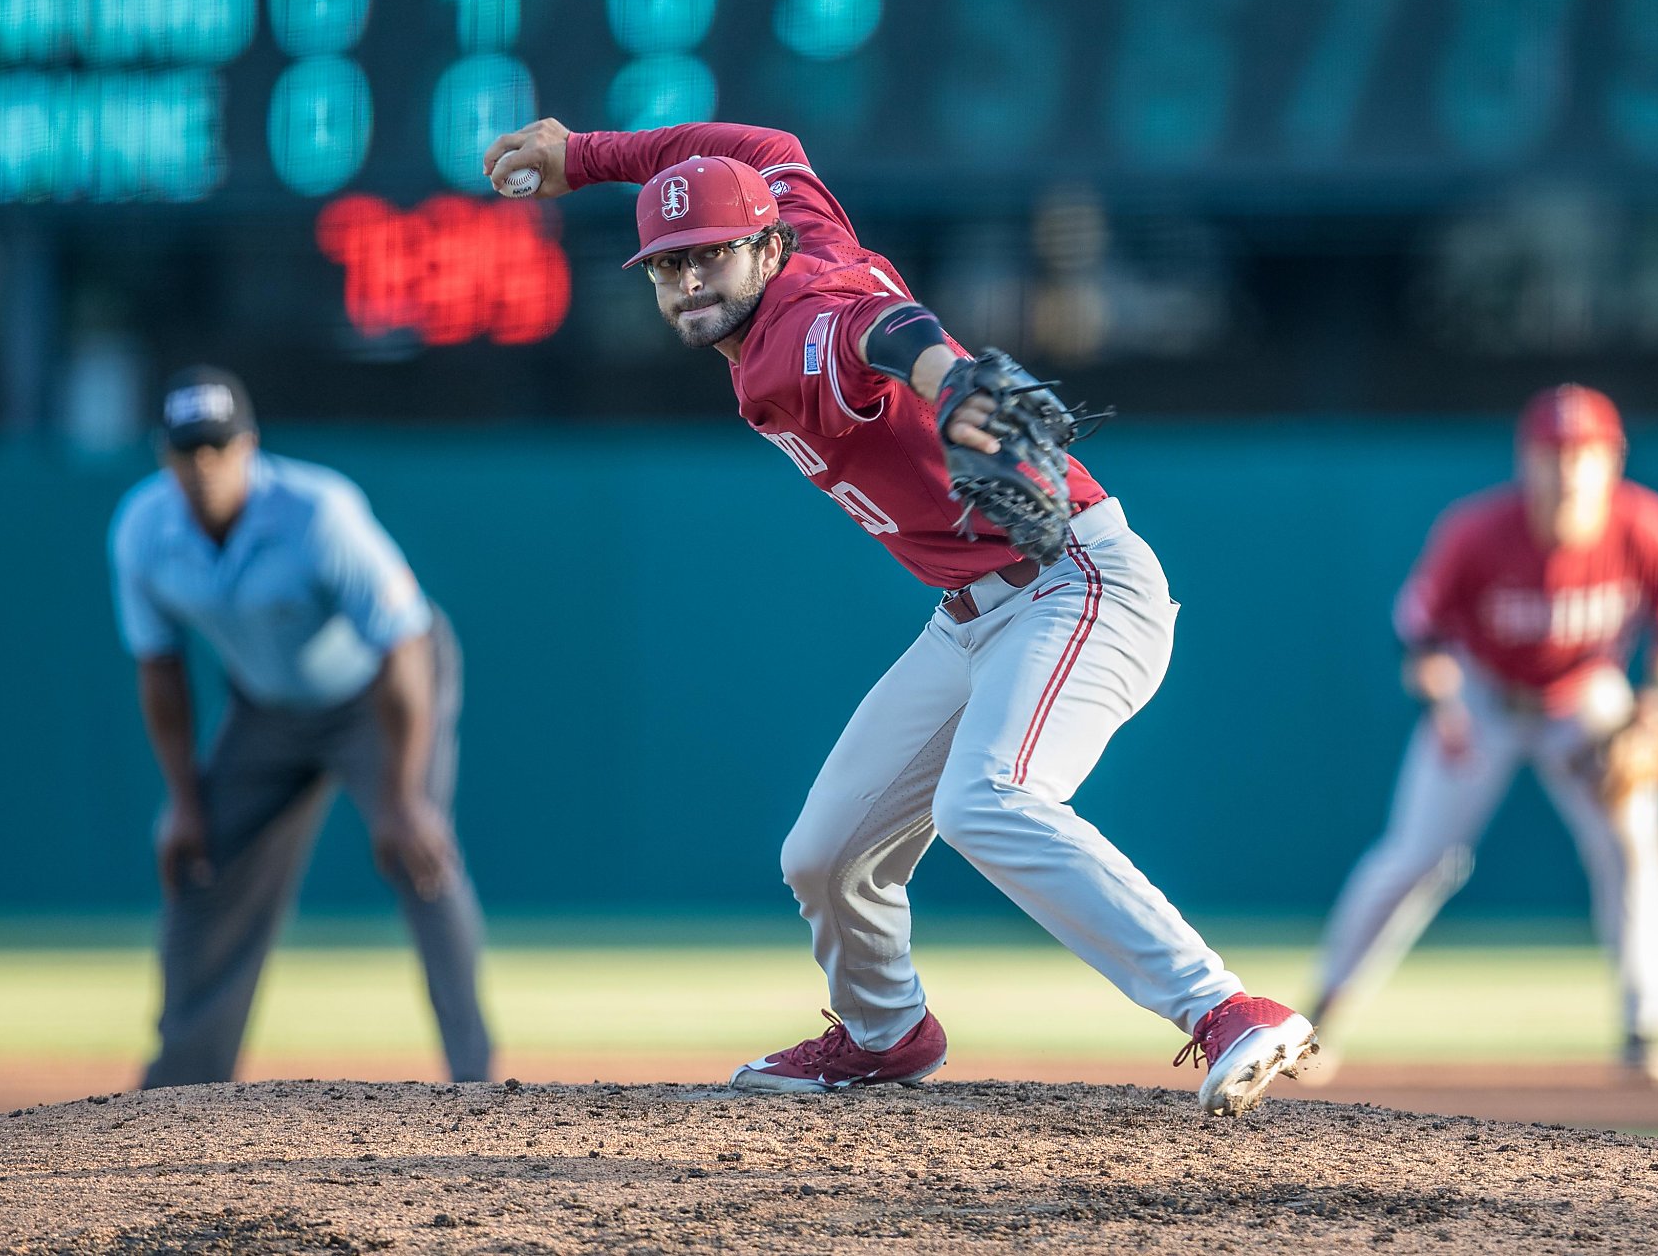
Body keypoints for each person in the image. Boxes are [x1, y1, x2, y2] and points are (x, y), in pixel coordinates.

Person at [481, 118, 1315, 1116]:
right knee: (824, 855)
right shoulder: (798, 219)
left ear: (764, 247)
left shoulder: (796, 332)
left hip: (1076, 584)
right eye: (667, 266)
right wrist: (586, 156)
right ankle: (883, 1032)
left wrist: (949, 378)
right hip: (972, 618)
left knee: (986, 799)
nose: (688, 281)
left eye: (707, 256)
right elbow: (763, 139)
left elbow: (880, 335)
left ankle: (1224, 1008)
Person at [1311, 385, 1658, 1087]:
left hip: (1586, 700)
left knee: (1634, 845)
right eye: (1552, 453)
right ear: (1525, 460)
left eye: (1583, 453)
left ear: (1612, 459)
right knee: (1415, 858)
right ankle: (1322, 1016)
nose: (1567, 470)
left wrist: (1654, 703)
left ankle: (1644, 1026)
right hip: (1482, 695)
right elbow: (1421, 633)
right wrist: (1445, 703)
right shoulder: (1477, 529)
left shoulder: (1645, 525)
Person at [108, 367, 492, 1087]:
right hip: (268, 709)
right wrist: (184, 801)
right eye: (188, 450)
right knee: (203, 859)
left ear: (249, 446)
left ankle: (475, 1083)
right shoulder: (142, 528)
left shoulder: (318, 513)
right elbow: (159, 669)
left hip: (376, 694)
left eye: (218, 447)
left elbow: (405, 646)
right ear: (165, 457)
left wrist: (404, 798)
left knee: (420, 853)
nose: (204, 466)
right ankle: (178, 1094)